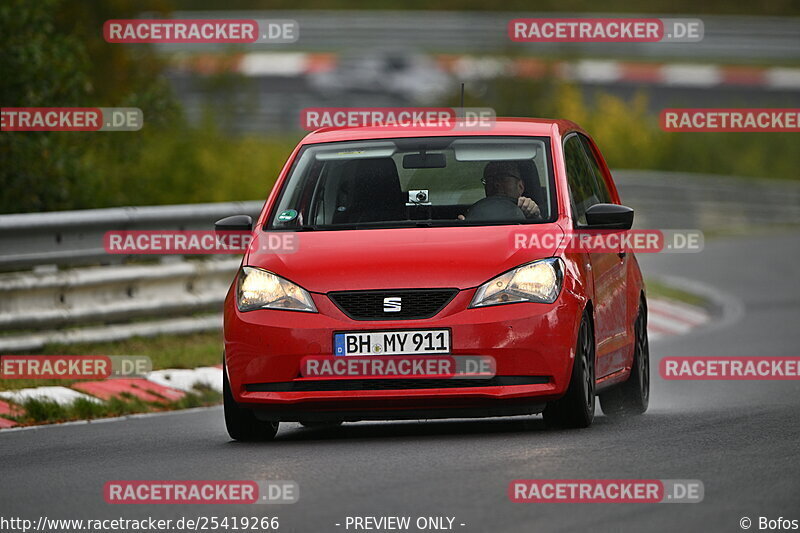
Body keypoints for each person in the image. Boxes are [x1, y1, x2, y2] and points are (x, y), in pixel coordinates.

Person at [459, 161, 541, 221]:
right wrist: (464, 227)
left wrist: (535, 216)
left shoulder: (529, 210)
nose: (496, 184)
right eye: (490, 179)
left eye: (502, 179)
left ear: (520, 186)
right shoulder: (475, 214)